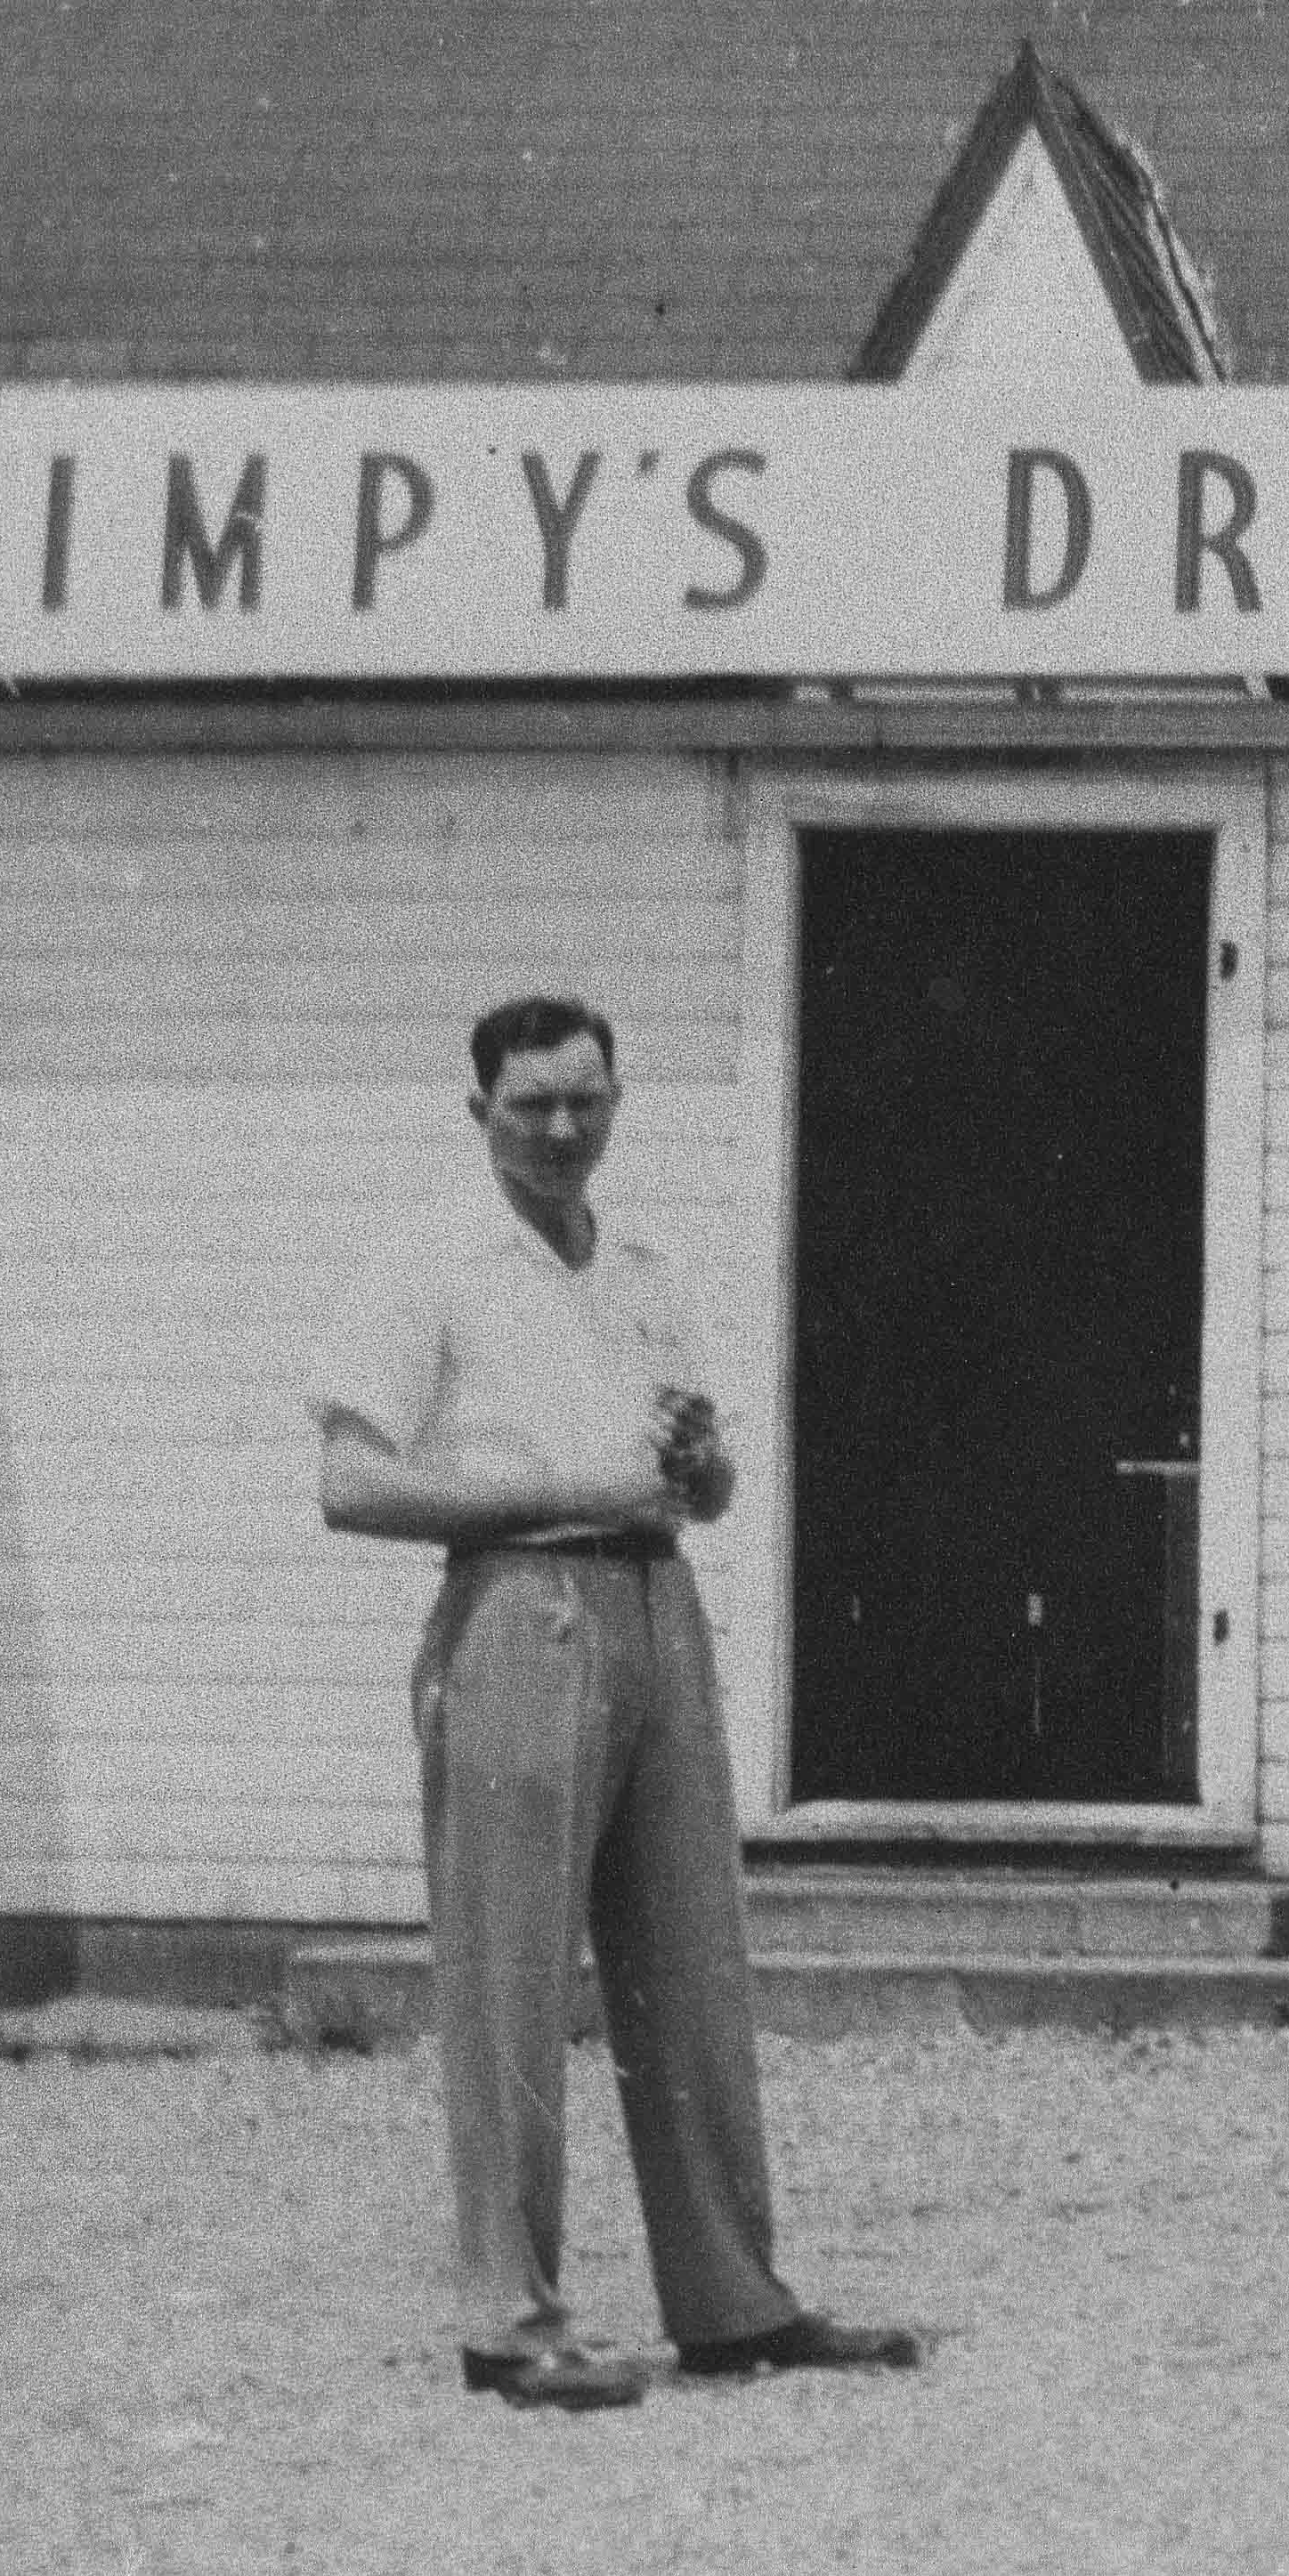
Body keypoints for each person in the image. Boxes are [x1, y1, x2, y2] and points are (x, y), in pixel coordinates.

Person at [305, 992, 921, 2409]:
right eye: (533, 1106)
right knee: (512, 1971)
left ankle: (731, 2300)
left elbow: (689, 1472)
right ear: (480, 1114)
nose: (565, 1129)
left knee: (694, 1962)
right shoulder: (434, 1264)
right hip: (520, 1603)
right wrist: (563, 1491)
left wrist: (699, 1472)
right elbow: (350, 1479)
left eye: (588, 1100)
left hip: (657, 1601)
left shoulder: (637, 1265)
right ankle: (510, 2321)